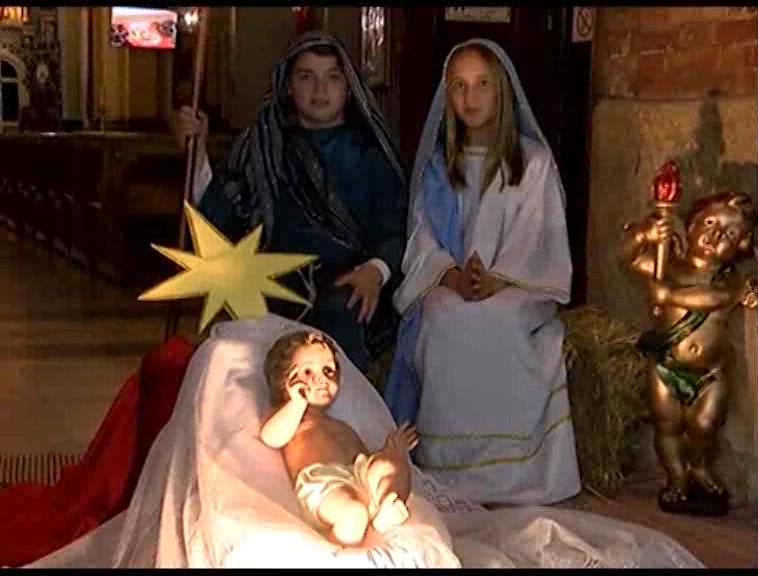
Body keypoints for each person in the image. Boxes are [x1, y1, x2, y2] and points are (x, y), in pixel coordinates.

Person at [383, 38, 580, 505]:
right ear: (447, 96)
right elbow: (422, 236)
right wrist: (450, 274)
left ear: (502, 92)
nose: (470, 98)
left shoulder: (532, 162)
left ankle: (512, 472)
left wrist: (498, 277)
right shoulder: (439, 168)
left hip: (517, 286)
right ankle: (450, 467)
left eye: (482, 85)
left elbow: (541, 234)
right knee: (444, 318)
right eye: (459, 86)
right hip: (450, 282)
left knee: (502, 319)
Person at [173, 31, 407, 373]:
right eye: (306, 76)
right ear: (287, 86)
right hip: (272, 287)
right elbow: (219, 219)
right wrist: (196, 151)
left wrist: (375, 270)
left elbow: (396, 227)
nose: (320, 89)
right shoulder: (262, 147)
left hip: (351, 288)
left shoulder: (371, 154)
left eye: (332, 77)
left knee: (343, 317)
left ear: (348, 86)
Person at [623, 191, 757, 511]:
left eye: (729, 233)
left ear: (741, 245)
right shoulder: (669, 267)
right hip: (666, 367)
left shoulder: (731, 281)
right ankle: (676, 477)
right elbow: (629, 259)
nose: (715, 236)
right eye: (709, 223)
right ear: (691, 225)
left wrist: (667, 295)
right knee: (667, 426)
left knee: (705, 426)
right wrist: (644, 234)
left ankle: (699, 467)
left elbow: (713, 299)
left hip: (709, 373)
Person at [260, 330, 418, 546]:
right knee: (353, 513)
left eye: (328, 370)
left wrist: (390, 454)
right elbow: (271, 438)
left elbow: (364, 457)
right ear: (283, 382)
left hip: (358, 473)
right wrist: (296, 403)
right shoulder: (292, 418)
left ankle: (386, 508)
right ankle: (341, 548)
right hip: (325, 484)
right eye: (307, 372)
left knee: (390, 465)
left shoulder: (340, 425)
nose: (321, 379)